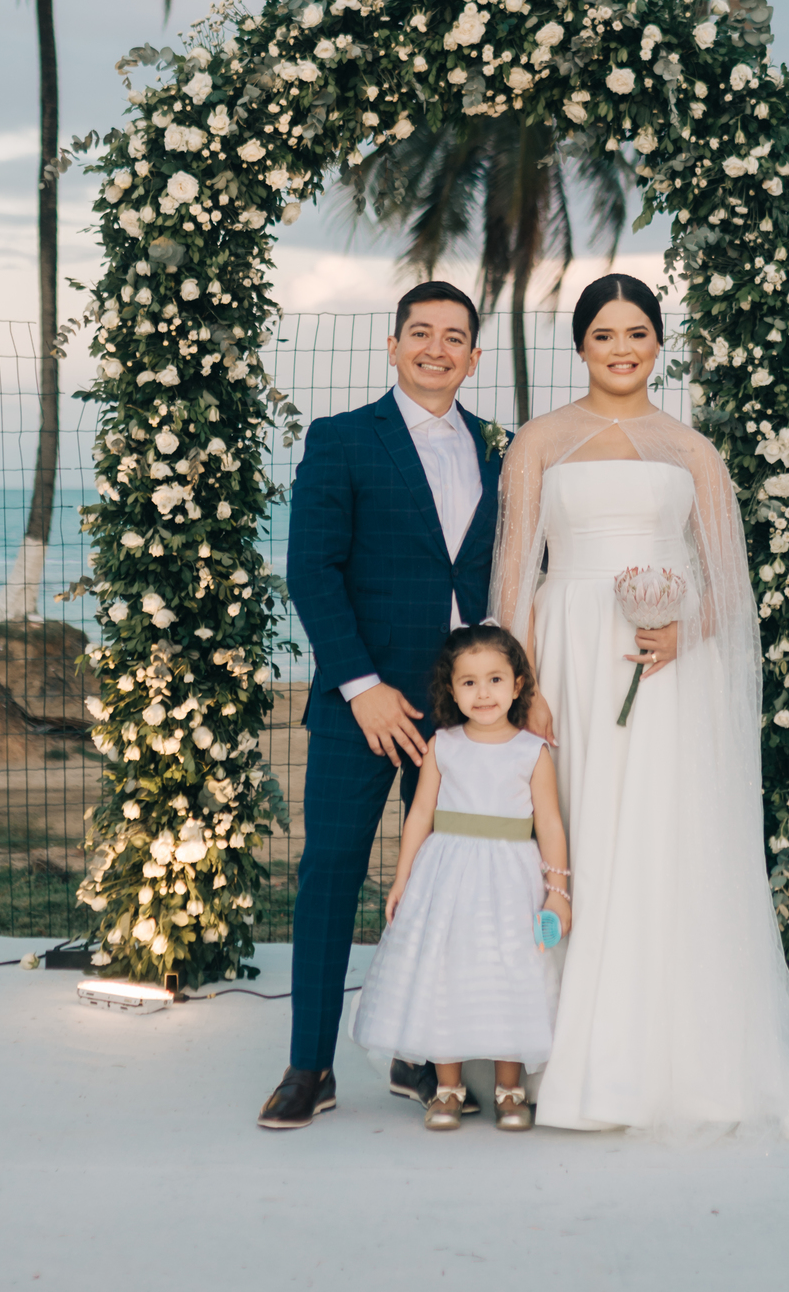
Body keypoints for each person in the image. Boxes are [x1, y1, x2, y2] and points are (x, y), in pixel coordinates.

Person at [491, 273, 789, 1139]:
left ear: (657, 342)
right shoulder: (539, 440)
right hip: (566, 652)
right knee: (574, 836)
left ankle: (660, 1052)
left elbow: (729, 583)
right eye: (604, 333)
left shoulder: (692, 450)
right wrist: (523, 685)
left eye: (637, 332)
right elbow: (514, 574)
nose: (621, 348)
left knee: (654, 835)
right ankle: (546, 1046)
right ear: (581, 345)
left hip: (661, 666)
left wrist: (685, 632)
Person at [258, 283, 511, 1130]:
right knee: (330, 875)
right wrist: (361, 687)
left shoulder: (499, 448)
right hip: (361, 707)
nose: (437, 348)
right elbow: (312, 572)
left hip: (463, 716)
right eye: (422, 333)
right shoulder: (339, 440)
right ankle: (310, 1065)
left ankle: (419, 1048)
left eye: (455, 337)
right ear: (394, 344)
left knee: (445, 889)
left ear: (475, 356)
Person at [351, 625, 569, 1131]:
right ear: (451, 690)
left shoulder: (531, 751)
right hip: (445, 878)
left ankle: (509, 1089)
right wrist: (403, 879)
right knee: (445, 973)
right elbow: (421, 813)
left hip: (512, 879)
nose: (483, 692)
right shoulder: (442, 745)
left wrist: (558, 892)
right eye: (468, 683)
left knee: (509, 971)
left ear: (518, 686)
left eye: (495, 679)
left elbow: (551, 822)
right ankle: (447, 1088)